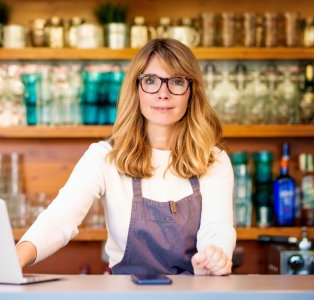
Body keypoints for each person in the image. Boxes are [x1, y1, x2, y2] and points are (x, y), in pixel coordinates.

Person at [16, 38, 236, 276]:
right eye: (151, 81)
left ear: (192, 92)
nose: (163, 94)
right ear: (136, 88)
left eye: (177, 82)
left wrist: (214, 255)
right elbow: (60, 218)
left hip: (193, 293)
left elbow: (217, 227)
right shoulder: (104, 157)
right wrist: (15, 259)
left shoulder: (213, 160)